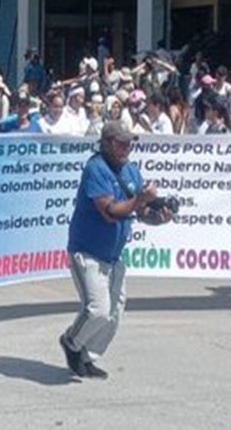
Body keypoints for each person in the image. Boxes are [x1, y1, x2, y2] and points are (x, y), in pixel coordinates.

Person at [59, 122, 172, 379]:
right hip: (87, 252)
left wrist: (158, 217)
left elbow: (140, 212)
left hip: (113, 255)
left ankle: (86, 357)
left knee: (114, 312)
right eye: (122, 143)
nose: (127, 148)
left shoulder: (131, 171)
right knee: (97, 309)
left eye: (130, 143)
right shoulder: (95, 169)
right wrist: (141, 199)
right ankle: (71, 342)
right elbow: (110, 213)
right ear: (107, 143)